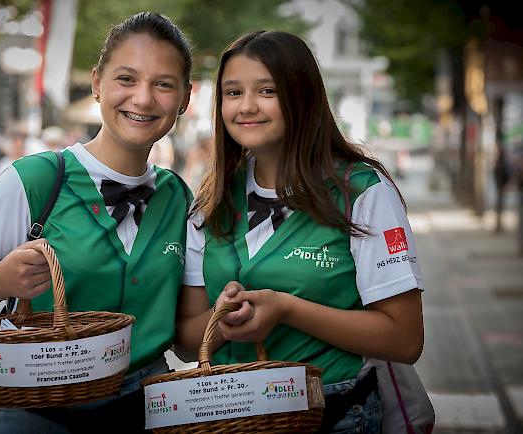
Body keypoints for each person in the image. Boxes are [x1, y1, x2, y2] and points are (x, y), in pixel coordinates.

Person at [0, 11, 193, 433]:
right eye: (126, 79)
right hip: (38, 410)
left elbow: (184, 330)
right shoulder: (35, 180)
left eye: (163, 84)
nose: (143, 98)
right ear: (97, 84)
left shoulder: (179, 197)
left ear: (185, 98)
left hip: (146, 407)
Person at [174, 31, 424, 433]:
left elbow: (405, 339)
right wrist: (224, 320)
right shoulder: (212, 199)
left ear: (301, 95)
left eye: (267, 90)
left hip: (335, 415)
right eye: (233, 92)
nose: (247, 106)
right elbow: (187, 342)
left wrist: (287, 310)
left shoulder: (361, 192)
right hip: (228, 418)